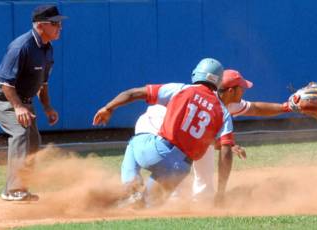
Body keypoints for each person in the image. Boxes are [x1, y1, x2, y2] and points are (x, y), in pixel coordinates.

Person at [134, 69, 317, 201]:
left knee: (200, 175)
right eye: (241, 87)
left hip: (190, 136)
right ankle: (160, 196)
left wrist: (286, 107)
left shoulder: (229, 101)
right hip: (162, 131)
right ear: (231, 90)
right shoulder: (204, 99)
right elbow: (191, 129)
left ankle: (192, 200)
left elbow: (255, 108)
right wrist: (224, 145)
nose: (245, 89)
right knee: (178, 163)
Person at [93, 58, 235, 207]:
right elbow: (226, 152)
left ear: (196, 73)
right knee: (146, 206)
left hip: (158, 151)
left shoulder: (181, 89)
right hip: (180, 169)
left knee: (134, 144)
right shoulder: (223, 112)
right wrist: (221, 191)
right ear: (218, 82)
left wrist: (108, 108)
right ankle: (138, 201)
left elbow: (133, 93)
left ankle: (131, 189)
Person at [0, 5, 67, 201]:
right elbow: (5, 83)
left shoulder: (47, 49)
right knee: (20, 132)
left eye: (60, 23)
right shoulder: (21, 46)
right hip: (1, 97)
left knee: (33, 141)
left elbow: (42, 84)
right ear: (40, 25)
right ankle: (14, 189)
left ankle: (18, 187)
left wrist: (47, 107)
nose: (59, 26)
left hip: (23, 98)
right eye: (55, 23)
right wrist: (19, 107)